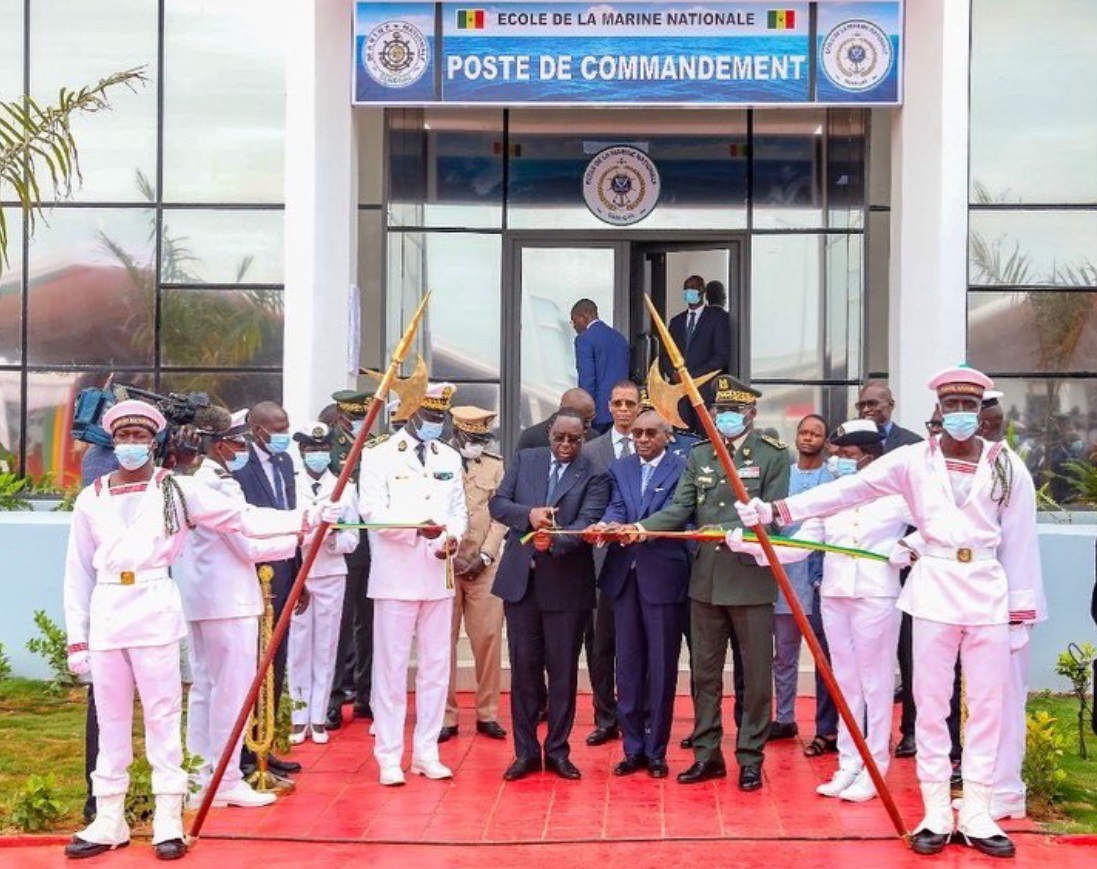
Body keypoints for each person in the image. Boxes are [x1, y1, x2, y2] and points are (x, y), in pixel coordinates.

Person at [738, 365, 1044, 858]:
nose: (961, 415)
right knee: (930, 702)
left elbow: (1022, 544)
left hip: (988, 588)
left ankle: (980, 810)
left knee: (987, 706)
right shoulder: (911, 461)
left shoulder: (1007, 465)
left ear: (981, 411)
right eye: (953, 406)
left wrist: (1020, 615)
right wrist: (778, 511)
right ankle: (937, 809)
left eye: (971, 407)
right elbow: (846, 492)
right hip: (935, 588)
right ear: (938, 411)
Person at [62, 400, 337, 860]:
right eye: (124, 437)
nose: (132, 445)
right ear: (114, 441)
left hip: (152, 606)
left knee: (163, 717)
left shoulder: (177, 489)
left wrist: (304, 518)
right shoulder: (92, 496)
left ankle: (169, 812)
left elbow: (242, 517)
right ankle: (109, 815)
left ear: (154, 442)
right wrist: (78, 638)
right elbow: (77, 573)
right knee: (111, 719)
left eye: (140, 437)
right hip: (108, 609)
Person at [730, 418, 914, 803]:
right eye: (839, 455)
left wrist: (911, 548)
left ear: (870, 458)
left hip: (876, 596)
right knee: (844, 683)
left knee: (876, 684)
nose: (840, 463)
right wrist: (750, 547)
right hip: (835, 596)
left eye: (849, 456)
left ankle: (875, 764)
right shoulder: (830, 500)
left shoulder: (899, 497)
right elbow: (797, 550)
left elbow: (939, 527)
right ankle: (849, 762)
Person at [628, 375, 790, 792]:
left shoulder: (772, 457)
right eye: (721, 413)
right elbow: (682, 506)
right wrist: (641, 527)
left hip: (750, 580)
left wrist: (728, 529)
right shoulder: (701, 455)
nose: (727, 418)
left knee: (754, 676)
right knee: (704, 673)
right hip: (705, 582)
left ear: (751, 414)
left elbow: (771, 515)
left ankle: (750, 756)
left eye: (735, 412)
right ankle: (707, 754)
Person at [175, 407, 295, 810]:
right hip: (228, 600)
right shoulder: (218, 485)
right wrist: (301, 534)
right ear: (222, 443)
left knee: (206, 692)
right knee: (228, 693)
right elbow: (246, 542)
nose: (243, 450)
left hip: (205, 600)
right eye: (239, 442)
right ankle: (223, 779)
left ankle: (200, 776)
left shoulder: (202, 480)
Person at [490, 408, 611, 781]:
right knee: (524, 672)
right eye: (559, 437)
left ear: (585, 436)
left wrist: (552, 539)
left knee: (562, 675)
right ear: (549, 434)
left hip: (565, 586)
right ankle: (525, 752)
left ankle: (557, 751)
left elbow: (585, 523)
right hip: (521, 586)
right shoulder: (526, 459)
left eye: (574, 439)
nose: (565, 445)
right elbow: (498, 504)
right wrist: (529, 516)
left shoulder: (594, 471)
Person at [358, 382, 468, 786]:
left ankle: (426, 751)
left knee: (437, 668)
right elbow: (371, 511)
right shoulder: (379, 455)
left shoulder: (449, 457)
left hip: (438, 573)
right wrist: (412, 531)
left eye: (441, 418)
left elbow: (457, 511)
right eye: (429, 416)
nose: (435, 425)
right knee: (390, 669)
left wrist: (451, 538)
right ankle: (389, 755)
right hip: (396, 575)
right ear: (411, 413)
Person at [589, 410, 690, 779]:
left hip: (663, 576)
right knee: (627, 665)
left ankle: (657, 750)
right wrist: (607, 524)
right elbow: (616, 505)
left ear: (666, 436)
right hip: (623, 577)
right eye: (637, 434)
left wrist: (638, 527)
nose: (643, 439)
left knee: (662, 668)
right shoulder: (622, 468)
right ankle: (633, 748)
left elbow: (679, 513)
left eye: (650, 433)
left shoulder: (682, 468)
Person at [233, 400, 302, 781]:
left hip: (285, 572)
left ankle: (266, 744)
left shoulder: (284, 462)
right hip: (254, 573)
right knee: (253, 664)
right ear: (256, 429)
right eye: (275, 428)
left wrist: (299, 574)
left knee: (277, 662)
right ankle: (244, 753)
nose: (282, 435)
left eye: (285, 426)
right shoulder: (240, 465)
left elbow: (290, 517)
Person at [857, 381, 923, 760]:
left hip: (908, 565)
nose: (867, 409)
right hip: (866, 569)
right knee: (870, 657)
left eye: (874, 403)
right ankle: (865, 732)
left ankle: (910, 730)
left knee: (909, 655)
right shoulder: (852, 443)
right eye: (861, 403)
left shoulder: (913, 445)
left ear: (891, 405)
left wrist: (910, 547)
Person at [439, 405, 508, 743]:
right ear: (458, 434)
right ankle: (446, 716)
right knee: (442, 643)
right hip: (444, 564)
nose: (477, 444)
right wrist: (449, 555)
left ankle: (487, 713)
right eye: (472, 438)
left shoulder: (495, 466)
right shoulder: (438, 462)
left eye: (483, 439)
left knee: (488, 640)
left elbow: (502, 514)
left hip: (485, 565)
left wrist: (484, 555)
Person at [581, 379, 645, 746]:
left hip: (641, 560)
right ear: (609, 407)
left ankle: (641, 714)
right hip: (600, 560)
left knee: (640, 641)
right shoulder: (591, 451)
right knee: (600, 643)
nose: (623, 409)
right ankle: (606, 717)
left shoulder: (651, 444)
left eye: (630, 403)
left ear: (639, 406)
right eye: (618, 403)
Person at [288, 422, 359, 745]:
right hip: (300, 572)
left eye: (321, 449)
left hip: (331, 571)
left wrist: (332, 539)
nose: (316, 455)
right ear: (301, 452)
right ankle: (297, 716)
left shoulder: (345, 487)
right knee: (299, 646)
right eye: (310, 450)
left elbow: (353, 538)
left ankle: (318, 716)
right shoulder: (291, 484)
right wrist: (308, 535)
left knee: (327, 644)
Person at [768, 415, 834, 749]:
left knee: (826, 659)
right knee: (784, 655)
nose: (808, 438)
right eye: (804, 432)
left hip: (820, 580)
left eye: (816, 433)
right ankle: (784, 718)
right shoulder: (784, 474)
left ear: (825, 439)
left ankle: (827, 729)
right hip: (784, 579)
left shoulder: (834, 477)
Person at [319, 390, 376, 731]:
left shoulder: (377, 448)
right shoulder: (331, 450)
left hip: (376, 544)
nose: (359, 424)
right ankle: (334, 698)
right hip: (344, 545)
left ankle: (366, 695)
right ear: (342, 417)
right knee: (339, 628)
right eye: (355, 418)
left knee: (370, 626)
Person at [661, 275, 730, 433]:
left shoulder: (717, 319)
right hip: (679, 392)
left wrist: (691, 376)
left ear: (703, 291)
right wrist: (672, 373)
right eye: (687, 288)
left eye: (694, 287)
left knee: (704, 435)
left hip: (705, 391)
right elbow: (665, 355)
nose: (690, 291)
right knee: (680, 436)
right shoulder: (676, 321)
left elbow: (721, 357)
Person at [570, 299, 630, 434]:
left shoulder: (584, 339)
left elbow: (587, 379)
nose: (574, 326)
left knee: (595, 452)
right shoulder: (619, 337)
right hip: (622, 408)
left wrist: (585, 412)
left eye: (574, 320)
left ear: (583, 317)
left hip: (597, 413)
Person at [517, 388, 598, 451]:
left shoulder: (594, 439)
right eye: (585, 421)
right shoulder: (532, 438)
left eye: (592, 418)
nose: (589, 425)